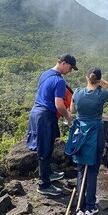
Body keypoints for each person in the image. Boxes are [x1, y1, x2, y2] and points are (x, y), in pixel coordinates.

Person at [69, 67, 108, 215]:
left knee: (80, 169)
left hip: (80, 134)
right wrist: (107, 84)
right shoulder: (101, 95)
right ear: (99, 81)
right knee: (92, 169)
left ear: (87, 78)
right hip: (96, 133)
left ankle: (80, 205)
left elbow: (72, 110)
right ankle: (90, 206)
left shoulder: (77, 92)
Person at [27, 53, 78, 196]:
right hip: (45, 116)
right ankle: (44, 185)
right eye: (70, 67)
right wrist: (68, 117)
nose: (71, 71)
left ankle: (48, 173)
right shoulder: (59, 81)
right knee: (44, 150)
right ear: (63, 64)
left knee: (48, 146)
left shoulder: (46, 74)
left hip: (37, 113)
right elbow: (59, 105)